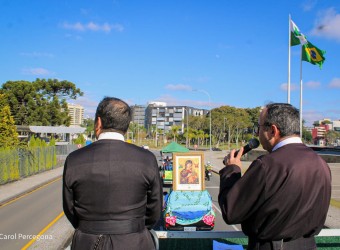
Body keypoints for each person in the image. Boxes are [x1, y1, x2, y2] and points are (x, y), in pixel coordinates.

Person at [218, 103, 331, 250]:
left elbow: (231, 211)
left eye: (259, 127)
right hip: (308, 245)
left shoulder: (266, 165)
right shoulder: (321, 163)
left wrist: (232, 170)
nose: (257, 133)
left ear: (273, 130)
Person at [63, 97, 162, 250]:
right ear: (126, 126)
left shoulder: (75, 159)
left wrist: (89, 227)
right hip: (135, 242)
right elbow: (155, 209)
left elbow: (70, 208)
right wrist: (135, 227)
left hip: (87, 241)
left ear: (99, 123)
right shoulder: (146, 159)